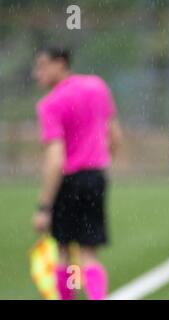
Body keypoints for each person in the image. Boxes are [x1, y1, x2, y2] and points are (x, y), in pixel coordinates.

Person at [31, 47, 123, 300]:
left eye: (42, 65)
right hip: (95, 177)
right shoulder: (97, 86)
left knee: (63, 252)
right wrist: (101, 164)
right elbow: (115, 135)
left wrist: (43, 207)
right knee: (89, 254)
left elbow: (55, 158)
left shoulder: (50, 104)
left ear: (61, 64)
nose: (36, 73)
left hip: (68, 181)